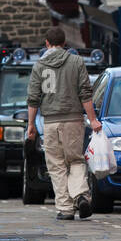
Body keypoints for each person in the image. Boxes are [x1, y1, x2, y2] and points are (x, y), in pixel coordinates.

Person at [25, 26, 102, 221]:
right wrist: (92, 119)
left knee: (56, 165)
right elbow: (85, 93)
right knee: (75, 160)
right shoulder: (76, 62)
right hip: (74, 120)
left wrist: (31, 125)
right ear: (65, 43)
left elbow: (33, 98)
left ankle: (65, 208)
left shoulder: (39, 66)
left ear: (47, 44)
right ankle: (81, 195)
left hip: (50, 122)